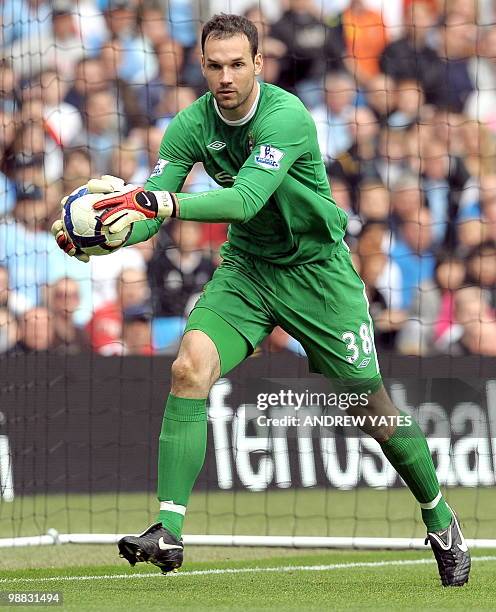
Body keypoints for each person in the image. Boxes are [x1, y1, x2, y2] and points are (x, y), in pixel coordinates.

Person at [52, 14, 470, 585]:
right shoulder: (188, 127)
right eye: (214, 65)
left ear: (257, 65)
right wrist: (104, 232)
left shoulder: (285, 116)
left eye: (236, 64)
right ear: (202, 67)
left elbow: (244, 200)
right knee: (189, 367)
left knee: (371, 411)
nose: (225, 76)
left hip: (319, 276)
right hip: (248, 271)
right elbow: (157, 207)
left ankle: (441, 519)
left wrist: (154, 204)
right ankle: (168, 529)